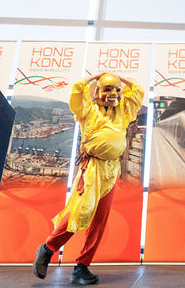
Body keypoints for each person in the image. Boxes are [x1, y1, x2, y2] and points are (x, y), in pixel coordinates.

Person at [33, 72, 144, 285]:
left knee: (100, 221)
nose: (113, 94)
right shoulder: (88, 111)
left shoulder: (123, 111)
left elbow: (137, 90)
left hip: (111, 171)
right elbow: (77, 90)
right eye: (108, 89)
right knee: (80, 213)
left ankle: (82, 266)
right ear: (97, 92)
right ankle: (48, 248)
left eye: (117, 89)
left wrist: (119, 78)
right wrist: (94, 77)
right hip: (92, 170)